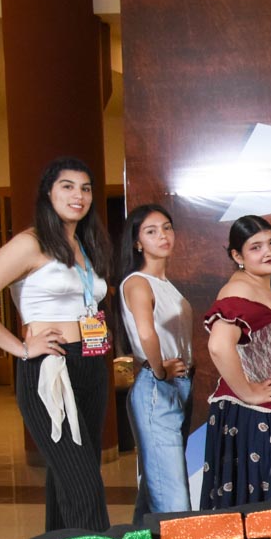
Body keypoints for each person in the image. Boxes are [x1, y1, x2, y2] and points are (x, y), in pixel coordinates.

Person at [0, 156, 111, 533]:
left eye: (85, 188)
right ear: (48, 193)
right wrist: (21, 348)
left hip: (90, 363)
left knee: (69, 480)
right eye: (67, 187)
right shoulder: (30, 243)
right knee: (84, 486)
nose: (78, 195)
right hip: (51, 367)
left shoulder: (83, 244)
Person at [201, 216, 271, 520]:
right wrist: (248, 392)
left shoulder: (262, 287)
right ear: (237, 256)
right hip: (257, 417)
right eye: (256, 247)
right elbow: (218, 345)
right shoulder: (239, 289)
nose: (269, 251)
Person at [115, 204, 194, 520]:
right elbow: (146, 332)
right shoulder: (138, 282)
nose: (163, 235)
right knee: (172, 497)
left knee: (157, 485)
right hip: (157, 386)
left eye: (167, 227)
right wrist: (160, 370)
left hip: (178, 385)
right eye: (151, 231)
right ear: (137, 242)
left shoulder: (165, 283)